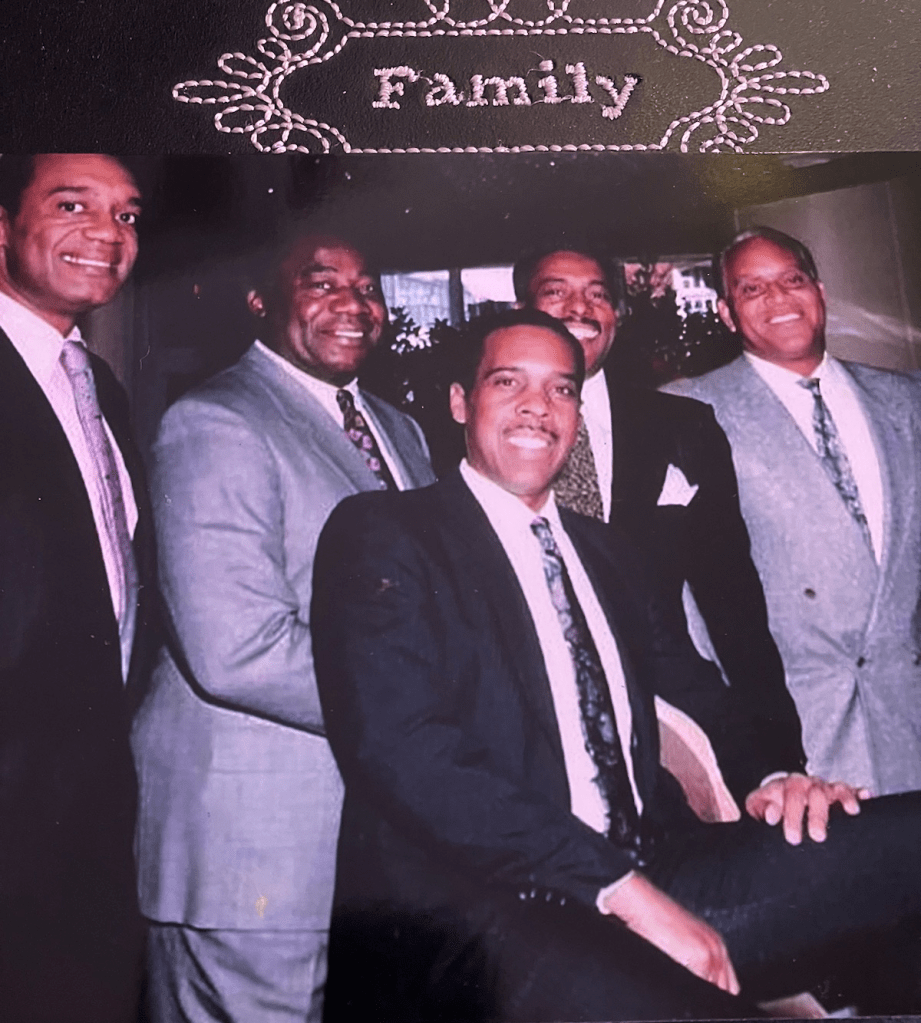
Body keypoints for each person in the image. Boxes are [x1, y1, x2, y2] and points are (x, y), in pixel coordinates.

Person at [312, 307, 921, 1021]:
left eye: (561, 389)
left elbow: (695, 685)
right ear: (459, 402)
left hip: (651, 864)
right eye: (508, 382)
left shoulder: (610, 553)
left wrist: (771, 778)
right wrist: (621, 892)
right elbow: (405, 752)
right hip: (485, 911)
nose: (538, 405)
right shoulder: (386, 532)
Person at [131, 225, 435, 1022]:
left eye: (367, 286)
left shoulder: (400, 430)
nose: (353, 303)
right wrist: (424, 698)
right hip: (250, 849)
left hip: (362, 840)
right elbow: (235, 650)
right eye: (321, 281)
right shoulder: (214, 421)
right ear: (260, 300)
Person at [516, 247, 806, 795]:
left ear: (617, 314)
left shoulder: (682, 426)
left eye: (598, 294)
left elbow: (734, 605)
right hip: (529, 739)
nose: (580, 307)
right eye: (556, 292)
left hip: (673, 737)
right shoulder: (480, 435)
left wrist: (778, 759)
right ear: (520, 309)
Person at [665, 226, 921, 796]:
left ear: (820, 292)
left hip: (909, 717)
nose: (778, 298)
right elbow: (685, 601)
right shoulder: (686, 411)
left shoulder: (906, 399)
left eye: (792, 280)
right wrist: (748, 751)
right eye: (752, 289)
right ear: (727, 314)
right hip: (794, 741)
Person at [0, 153, 152, 1023]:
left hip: (85, 815)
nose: (108, 233)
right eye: (72, 205)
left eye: (127, 215)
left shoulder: (103, 392)